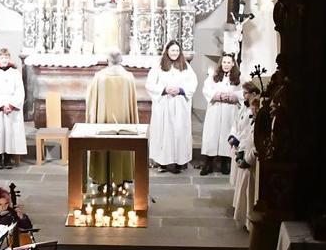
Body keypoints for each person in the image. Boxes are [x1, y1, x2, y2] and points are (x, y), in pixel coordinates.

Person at [83, 49, 139, 189]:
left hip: (104, 120)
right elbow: (133, 104)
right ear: (121, 60)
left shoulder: (99, 77)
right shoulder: (128, 77)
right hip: (123, 120)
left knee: (104, 141)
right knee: (123, 141)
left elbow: (91, 100)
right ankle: (124, 175)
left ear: (107, 60)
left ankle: (102, 177)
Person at [146, 40, 196, 174]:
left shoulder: (185, 66)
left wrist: (181, 90)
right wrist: (164, 89)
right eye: (172, 50)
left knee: (179, 131)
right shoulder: (158, 65)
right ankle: (163, 161)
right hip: (164, 104)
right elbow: (150, 84)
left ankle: (180, 160)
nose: (175, 53)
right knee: (164, 133)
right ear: (167, 51)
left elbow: (193, 83)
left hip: (180, 104)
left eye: (177, 50)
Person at [199, 52, 242, 175]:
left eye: (228, 62)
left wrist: (233, 96)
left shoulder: (238, 78)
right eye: (224, 62)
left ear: (233, 64)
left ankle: (225, 162)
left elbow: (243, 92)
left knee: (226, 134)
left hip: (230, 110)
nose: (226, 65)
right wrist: (216, 95)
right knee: (212, 135)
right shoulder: (214, 76)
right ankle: (208, 164)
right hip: (215, 109)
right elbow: (206, 89)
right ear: (221, 63)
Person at [0, 47, 26, 169]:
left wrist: (11, 105)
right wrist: (1, 106)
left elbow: (20, 90)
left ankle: (8, 158)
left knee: (10, 133)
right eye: (2, 57)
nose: (4, 60)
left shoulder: (15, 73)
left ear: (9, 58)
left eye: (6, 57)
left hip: (11, 106)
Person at [230, 84, 261, 229]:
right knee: (243, 193)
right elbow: (244, 133)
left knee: (250, 195)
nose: (252, 111)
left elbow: (255, 143)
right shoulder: (246, 110)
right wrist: (240, 151)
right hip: (245, 156)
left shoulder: (259, 124)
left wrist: (246, 159)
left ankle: (250, 224)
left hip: (252, 164)